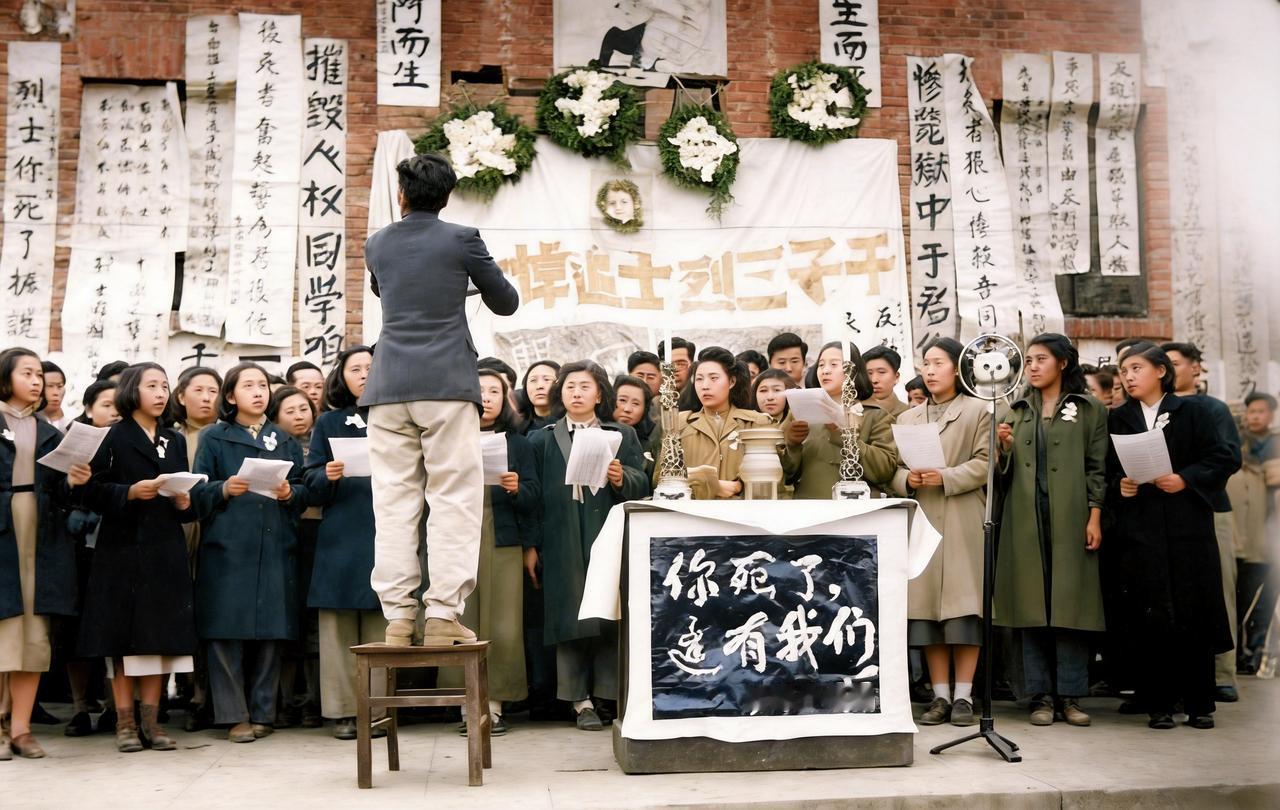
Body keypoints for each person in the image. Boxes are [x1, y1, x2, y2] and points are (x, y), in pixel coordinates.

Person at [361, 152, 520, 648]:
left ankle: (398, 618)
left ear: (403, 195)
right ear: (447, 196)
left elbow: (386, 290)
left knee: (393, 504)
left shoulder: (377, 243)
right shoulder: (462, 238)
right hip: (447, 384)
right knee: (453, 500)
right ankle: (443, 614)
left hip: (387, 387)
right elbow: (506, 301)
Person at [1105, 342, 1238, 730]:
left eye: (1135, 368)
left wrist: (1185, 478)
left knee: (1193, 610)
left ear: (1161, 371)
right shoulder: (1119, 418)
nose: (1128, 376)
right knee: (1151, 612)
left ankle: (1200, 703)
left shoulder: (1192, 411)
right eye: (1123, 370)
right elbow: (1108, 469)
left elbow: (1225, 457)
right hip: (1141, 528)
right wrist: (1121, 486)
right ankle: (1158, 703)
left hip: (1187, 525)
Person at [72, 363, 196, 753]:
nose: (161, 393)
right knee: (123, 640)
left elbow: (184, 497)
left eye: (164, 386)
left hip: (165, 548)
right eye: (152, 386)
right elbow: (88, 491)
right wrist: (128, 493)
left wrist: (184, 500)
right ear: (131, 391)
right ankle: (125, 723)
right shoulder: (111, 436)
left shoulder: (174, 440)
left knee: (161, 638)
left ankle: (152, 723)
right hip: (122, 548)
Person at [993, 334, 1108, 727]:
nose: (1034, 366)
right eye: (1028, 360)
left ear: (1063, 363)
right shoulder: (1016, 410)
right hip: (1025, 519)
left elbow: (1097, 467)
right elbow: (1001, 475)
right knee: (1030, 607)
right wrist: (1003, 449)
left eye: (1042, 359)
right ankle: (1039, 696)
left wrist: (1094, 516)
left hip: (1072, 518)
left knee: (1070, 607)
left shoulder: (1089, 408)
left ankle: (1072, 697)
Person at [191, 362, 310, 743]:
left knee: (271, 631)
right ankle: (233, 715)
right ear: (230, 396)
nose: (259, 392)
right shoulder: (214, 437)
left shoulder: (284, 439)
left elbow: (304, 490)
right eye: (249, 386)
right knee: (227, 631)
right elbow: (196, 493)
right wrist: (225, 489)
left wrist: (291, 494)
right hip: (228, 546)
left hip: (275, 542)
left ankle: (264, 711)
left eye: (263, 385)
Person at [528, 361, 648, 731]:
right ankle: (579, 701)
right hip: (561, 536)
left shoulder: (622, 435)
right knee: (570, 613)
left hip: (604, 531)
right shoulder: (542, 439)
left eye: (584, 386)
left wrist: (620, 477)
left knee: (607, 610)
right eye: (569, 386)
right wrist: (530, 546)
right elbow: (532, 499)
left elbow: (642, 484)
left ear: (599, 394)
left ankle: (607, 696)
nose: (576, 393)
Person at [889, 337, 990, 728]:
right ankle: (940, 696)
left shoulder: (979, 411)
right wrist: (907, 479)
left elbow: (986, 463)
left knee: (964, 609)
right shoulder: (908, 418)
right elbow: (895, 469)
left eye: (938, 363)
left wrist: (945, 476)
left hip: (963, 513)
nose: (930, 371)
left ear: (957, 368)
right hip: (924, 513)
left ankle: (964, 696)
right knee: (927, 610)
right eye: (926, 364)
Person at [439, 369, 541, 736]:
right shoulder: (445, 438)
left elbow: (534, 497)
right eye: (478, 390)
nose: (486, 397)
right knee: (460, 621)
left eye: (494, 391)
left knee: (503, 623)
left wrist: (516, 487)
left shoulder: (519, 443)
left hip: (503, 538)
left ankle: (493, 704)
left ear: (506, 398)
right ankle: (464, 703)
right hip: (455, 537)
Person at [303, 346, 387, 740]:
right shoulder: (330, 422)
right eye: (356, 368)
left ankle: (379, 711)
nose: (365, 374)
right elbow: (310, 481)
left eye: (372, 366)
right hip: (341, 535)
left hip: (387, 531)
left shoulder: (397, 417)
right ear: (343, 377)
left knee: (381, 625)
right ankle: (342, 711)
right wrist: (328, 475)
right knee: (337, 627)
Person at [0, 348, 78, 760]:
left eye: (39, 375)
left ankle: (21, 728)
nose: (37, 382)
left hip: (41, 533)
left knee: (33, 633)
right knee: (4, 628)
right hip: (4, 529)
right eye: (27, 373)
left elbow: (62, 493)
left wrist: (76, 479)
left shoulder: (48, 430)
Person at [1161, 341, 1243, 702]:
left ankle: (1224, 673)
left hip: (1209, 508)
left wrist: (1188, 480)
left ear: (1196, 368)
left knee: (1217, 591)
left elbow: (1227, 457)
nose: (1169, 370)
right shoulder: (1152, 409)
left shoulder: (1212, 408)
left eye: (1176, 363)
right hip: (1162, 515)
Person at [61, 380, 120, 739]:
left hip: (116, 546)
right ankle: (81, 707)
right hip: (78, 547)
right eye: (106, 404)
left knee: (115, 631)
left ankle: (115, 708)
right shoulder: (74, 442)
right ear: (88, 408)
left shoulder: (128, 443)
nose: (114, 411)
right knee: (76, 631)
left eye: (119, 404)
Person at [169, 366, 221, 732]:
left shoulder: (223, 438)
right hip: (176, 529)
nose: (206, 397)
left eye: (213, 390)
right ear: (181, 396)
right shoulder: (171, 437)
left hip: (214, 530)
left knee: (208, 611)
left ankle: (204, 694)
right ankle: (184, 689)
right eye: (199, 390)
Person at [268, 385, 321, 728]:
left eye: (304, 408)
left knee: (314, 622)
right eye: (289, 410)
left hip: (318, 536)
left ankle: (314, 701)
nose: (299, 415)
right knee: (289, 621)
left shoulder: (322, 443)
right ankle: (286, 701)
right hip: (283, 536)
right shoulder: (272, 448)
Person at [785, 341, 899, 499]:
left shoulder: (875, 415)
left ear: (852, 369)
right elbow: (786, 475)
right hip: (809, 509)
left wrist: (843, 435)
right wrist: (792, 445)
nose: (825, 371)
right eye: (821, 365)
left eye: (834, 364)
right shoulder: (800, 412)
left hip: (856, 513)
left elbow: (884, 471)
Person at [661, 348, 771, 500]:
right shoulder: (680, 423)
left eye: (713, 378)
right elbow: (662, 479)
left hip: (742, 515)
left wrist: (740, 485)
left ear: (732, 381)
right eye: (699, 379)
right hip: (692, 516)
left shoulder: (756, 423)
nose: (705, 386)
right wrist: (709, 482)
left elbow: (769, 477)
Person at [1227, 392, 1278, 675]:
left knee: (1264, 600)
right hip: (1241, 534)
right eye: (1251, 412)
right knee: (1240, 598)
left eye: (1260, 411)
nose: (1254, 416)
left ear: (1271, 414)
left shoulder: (1276, 445)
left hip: (1267, 534)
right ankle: (1240, 654)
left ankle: (1256, 654)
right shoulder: (1239, 444)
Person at [863, 346, 911, 418]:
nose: (874, 380)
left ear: (896, 377)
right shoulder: (853, 411)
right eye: (869, 373)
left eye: (881, 372)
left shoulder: (908, 414)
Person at [516, 360, 561, 433]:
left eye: (547, 379)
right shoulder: (516, 428)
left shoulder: (574, 421)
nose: (540, 386)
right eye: (533, 380)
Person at [612, 374, 655, 446]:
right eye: (622, 400)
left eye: (635, 403)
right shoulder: (596, 431)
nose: (627, 409)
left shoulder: (650, 444)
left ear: (645, 409)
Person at [38, 362, 73, 431]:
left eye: (59, 386)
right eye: (50, 386)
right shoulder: (27, 422)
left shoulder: (73, 419)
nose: (56, 393)